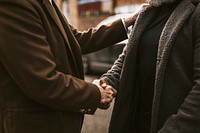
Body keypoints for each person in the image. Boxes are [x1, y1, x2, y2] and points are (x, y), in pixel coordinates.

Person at [0, 0, 144, 133]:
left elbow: (75, 39)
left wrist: (127, 22)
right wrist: (96, 94)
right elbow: (41, 81)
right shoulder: (15, 3)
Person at [94, 0, 200, 132]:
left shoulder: (196, 11)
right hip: (138, 123)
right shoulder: (149, 11)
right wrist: (110, 80)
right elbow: (128, 57)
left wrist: (174, 129)